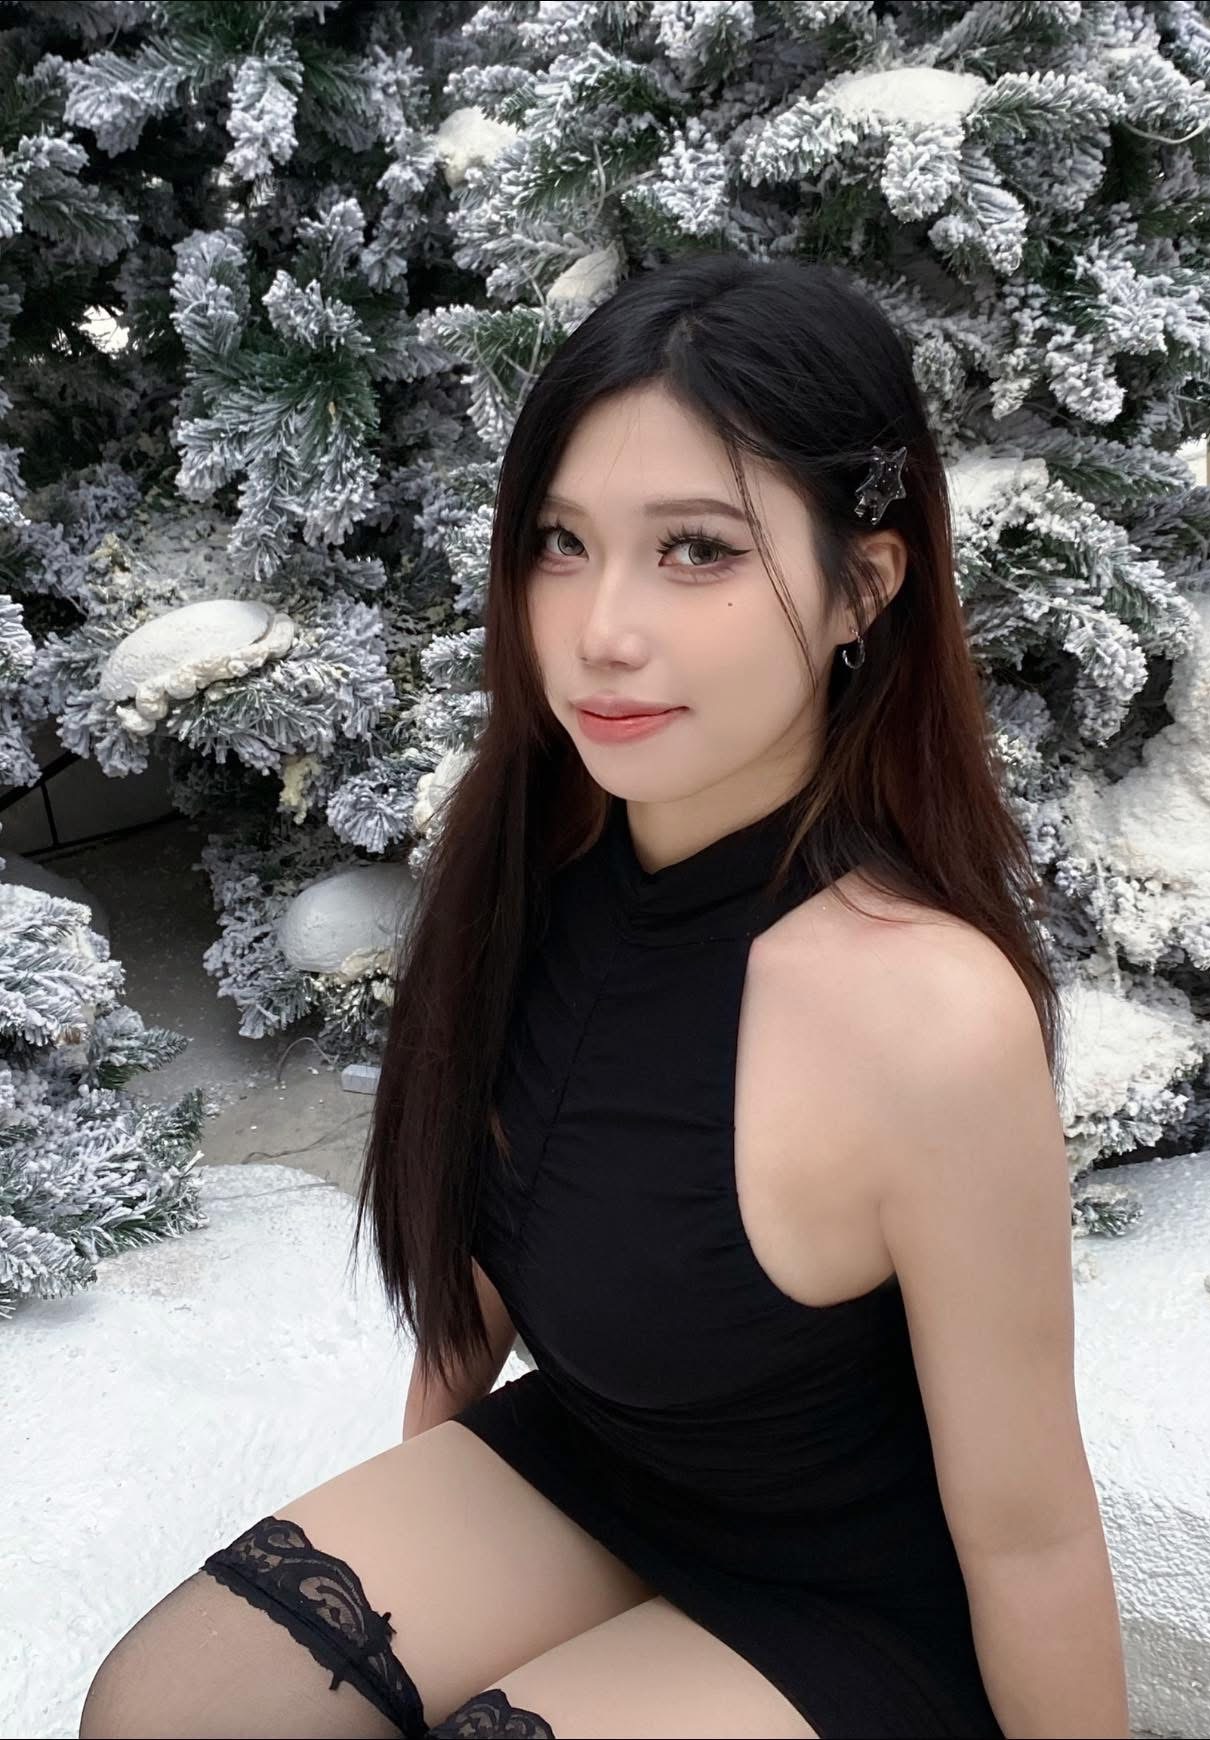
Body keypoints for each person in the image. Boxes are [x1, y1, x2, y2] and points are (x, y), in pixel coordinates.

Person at [79, 251, 1130, 1739]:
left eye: (695, 549)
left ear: (863, 585)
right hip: (599, 1465)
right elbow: (476, 1266)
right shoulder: (533, 857)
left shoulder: (925, 1013)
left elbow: (1028, 1534)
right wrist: (418, 1521)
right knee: (170, 1711)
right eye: (561, 544)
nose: (600, 629)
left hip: (854, 1599)